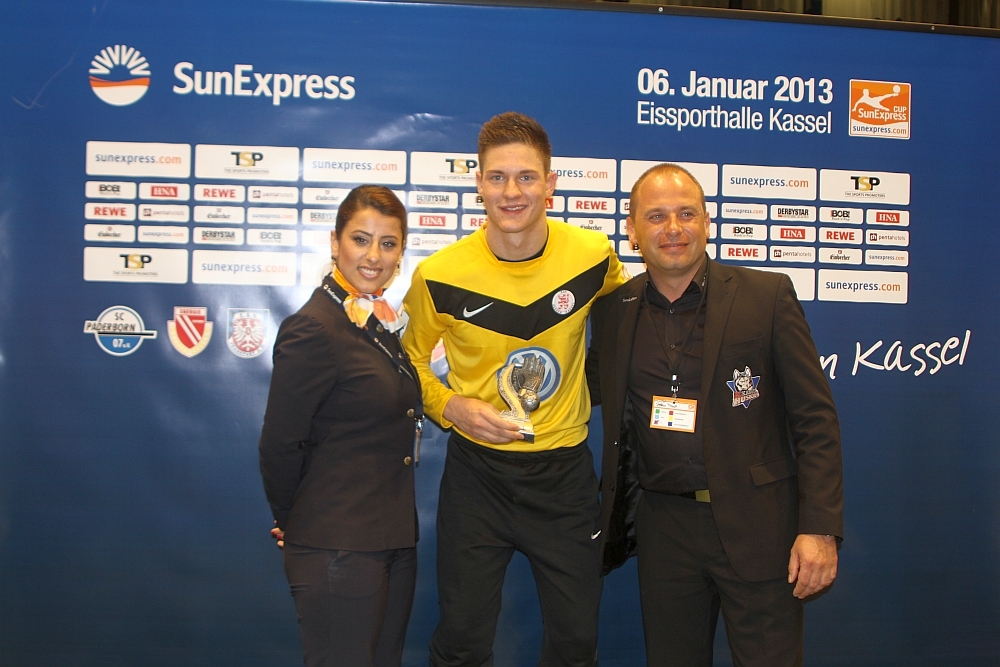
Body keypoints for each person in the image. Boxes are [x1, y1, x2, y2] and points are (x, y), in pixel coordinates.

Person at [586, 163, 843, 667]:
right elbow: (577, 388)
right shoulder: (613, 310)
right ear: (632, 230)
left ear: (707, 221)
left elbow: (815, 420)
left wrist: (819, 527)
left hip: (760, 526)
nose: (673, 228)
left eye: (686, 214)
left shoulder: (766, 296)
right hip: (664, 530)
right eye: (656, 216)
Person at [401, 111, 626, 666]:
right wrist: (452, 406)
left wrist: (589, 388)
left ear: (550, 184)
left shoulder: (594, 256)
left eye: (526, 177)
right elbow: (407, 363)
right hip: (477, 477)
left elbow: (627, 329)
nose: (511, 192)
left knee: (575, 645)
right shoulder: (438, 274)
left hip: (565, 478)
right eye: (497, 177)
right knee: (462, 642)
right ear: (478, 183)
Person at [258, 185, 422, 667]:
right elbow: (280, 443)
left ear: (401, 253)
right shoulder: (316, 326)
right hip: (336, 546)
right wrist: (296, 522)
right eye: (360, 239)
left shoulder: (376, 323)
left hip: (391, 540)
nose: (374, 256)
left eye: (388, 243)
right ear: (335, 242)